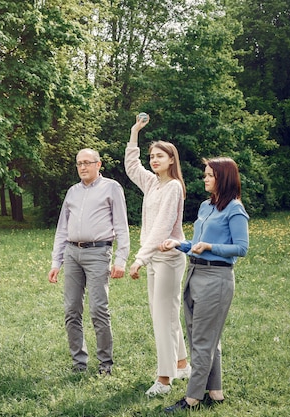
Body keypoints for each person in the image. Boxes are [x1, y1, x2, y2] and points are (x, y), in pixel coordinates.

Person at [159, 157, 249, 412]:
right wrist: (178, 244)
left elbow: (241, 248)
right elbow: (197, 244)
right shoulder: (205, 207)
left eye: (210, 175)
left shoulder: (235, 209)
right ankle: (215, 391)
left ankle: (192, 398)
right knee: (205, 337)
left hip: (217, 279)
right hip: (195, 273)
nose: (205, 178)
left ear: (224, 178)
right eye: (205, 174)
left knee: (202, 340)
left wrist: (211, 247)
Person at [124, 113, 191, 397]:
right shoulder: (153, 183)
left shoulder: (174, 187)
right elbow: (131, 166)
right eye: (152, 156)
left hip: (168, 257)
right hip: (154, 258)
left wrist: (140, 258)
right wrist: (134, 133)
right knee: (162, 313)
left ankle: (164, 380)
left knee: (163, 318)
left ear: (171, 160)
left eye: (159, 156)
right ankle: (183, 364)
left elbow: (163, 226)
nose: (153, 160)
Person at [48, 148, 130, 375]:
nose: (82, 167)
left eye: (87, 163)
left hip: (98, 253)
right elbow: (62, 229)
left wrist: (121, 259)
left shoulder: (112, 188)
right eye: (78, 164)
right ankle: (79, 364)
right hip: (73, 253)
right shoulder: (72, 192)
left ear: (98, 164)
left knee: (98, 310)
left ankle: (106, 364)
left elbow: (122, 225)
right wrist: (57, 262)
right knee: (71, 310)